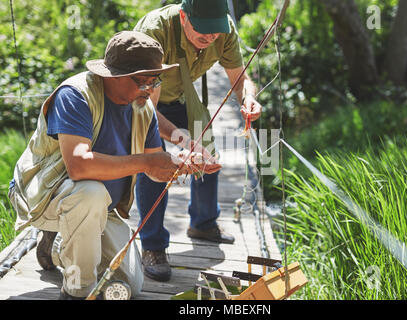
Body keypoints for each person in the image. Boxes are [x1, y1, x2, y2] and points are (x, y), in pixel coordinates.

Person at [7, 31, 221, 299]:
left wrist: (179, 164)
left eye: (155, 80)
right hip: (43, 195)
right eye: (142, 81)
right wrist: (148, 161)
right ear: (113, 75)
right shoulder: (75, 95)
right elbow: (79, 167)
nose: (150, 89)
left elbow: (153, 168)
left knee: (128, 284)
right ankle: (76, 291)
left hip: (100, 207)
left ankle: (55, 246)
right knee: (89, 194)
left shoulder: (144, 109)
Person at [133, 0, 263, 282]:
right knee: (154, 162)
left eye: (214, 32)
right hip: (142, 100)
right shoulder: (154, 31)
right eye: (202, 31)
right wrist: (180, 140)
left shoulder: (224, 31)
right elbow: (146, 106)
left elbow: (240, 79)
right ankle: (153, 246)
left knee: (208, 153)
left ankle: (203, 223)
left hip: (181, 96)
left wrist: (248, 97)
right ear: (183, 16)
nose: (210, 38)